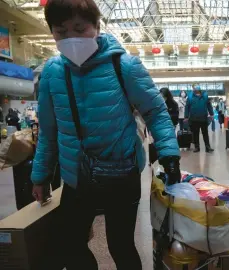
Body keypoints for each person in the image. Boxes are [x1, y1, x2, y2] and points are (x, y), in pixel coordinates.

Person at [30, 0, 181, 269]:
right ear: (52, 33)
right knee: (72, 245)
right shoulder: (53, 73)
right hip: (77, 176)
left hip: (121, 173)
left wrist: (169, 153)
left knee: (120, 245)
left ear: (97, 27)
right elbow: (48, 132)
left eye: (80, 28)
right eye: (61, 32)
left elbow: (155, 112)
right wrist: (40, 176)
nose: (71, 38)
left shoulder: (124, 66)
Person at [184, 83, 214, 153]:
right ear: (193, 88)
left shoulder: (205, 95)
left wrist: (211, 113)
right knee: (195, 134)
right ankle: (197, 147)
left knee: (205, 133)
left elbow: (209, 105)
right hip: (194, 118)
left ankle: (207, 147)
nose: (196, 88)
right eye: (195, 87)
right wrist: (186, 116)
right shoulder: (190, 96)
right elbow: (187, 107)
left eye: (197, 86)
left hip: (203, 118)